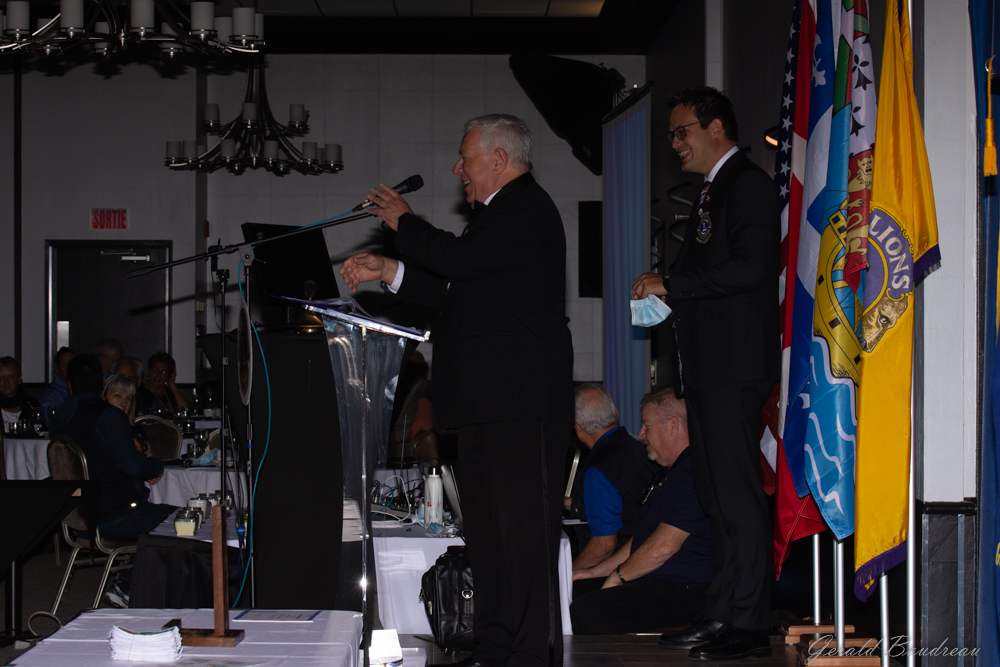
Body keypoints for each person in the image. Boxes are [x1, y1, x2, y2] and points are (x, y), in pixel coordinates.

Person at [340, 114, 573, 667]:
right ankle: (495, 647)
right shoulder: (495, 220)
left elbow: (458, 263)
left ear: (499, 159)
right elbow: (454, 290)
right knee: (489, 539)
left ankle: (528, 656)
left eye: (464, 158)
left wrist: (404, 221)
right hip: (487, 403)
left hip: (521, 406)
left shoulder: (524, 208)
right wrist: (390, 271)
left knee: (521, 539)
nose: (456, 169)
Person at [631, 87, 780, 660]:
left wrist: (675, 282)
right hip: (709, 367)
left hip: (734, 365)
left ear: (715, 127)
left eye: (682, 131)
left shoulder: (748, 185)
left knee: (737, 497)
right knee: (716, 497)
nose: (674, 143)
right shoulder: (713, 191)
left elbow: (751, 268)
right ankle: (723, 612)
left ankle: (750, 623)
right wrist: (668, 290)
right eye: (671, 134)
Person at [570, 389, 711, 634]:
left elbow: (663, 547)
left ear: (673, 426)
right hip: (656, 577)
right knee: (570, 591)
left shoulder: (692, 474)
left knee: (583, 612)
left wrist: (617, 578)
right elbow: (642, 541)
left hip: (685, 588)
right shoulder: (669, 473)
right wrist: (594, 572)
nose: (640, 434)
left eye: (647, 426)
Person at [51, 355, 174, 605]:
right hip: (112, 515)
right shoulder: (109, 417)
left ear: (70, 386)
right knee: (182, 521)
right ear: (102, 385)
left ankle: (133, 583)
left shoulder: (58, 420)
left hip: (76, 516)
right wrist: (156, 465)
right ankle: (127, 585)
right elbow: (133, 465)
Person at [568, 384, 659, 574]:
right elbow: (621, 501)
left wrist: (568, 574)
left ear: (577, 429)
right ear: (616, 413)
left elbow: (604, 545)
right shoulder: (640, 449)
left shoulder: (598, 468)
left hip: (621, 569)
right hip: (650, 559)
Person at [102, 373, 151, 456]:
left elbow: (148, 458)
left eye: (128, 398)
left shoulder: (137, 431)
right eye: (118, 396)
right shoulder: (97, 428)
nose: (124, 403)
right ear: (104, 397)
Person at [0, 356, 41, 430]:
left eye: (11, 377)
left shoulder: (32, 405)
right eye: (1, 377)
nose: (6, 381)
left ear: (19, 379)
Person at [40, 346, 76, 421]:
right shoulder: (50, 395)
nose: (70, 368)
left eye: (73, 364)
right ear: (57, 369)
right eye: (65, 365)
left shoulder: (84, 388)